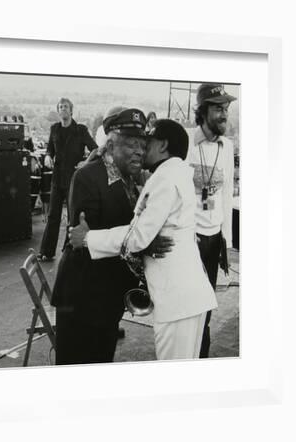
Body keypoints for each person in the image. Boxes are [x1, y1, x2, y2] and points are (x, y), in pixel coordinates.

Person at [70, 119, 218, 360]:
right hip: (188, 298)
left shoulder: (165, 179)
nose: (142, 148)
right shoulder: (177, 174)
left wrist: (88, 238)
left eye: (147, 141)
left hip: (177, 301)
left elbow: (137, 237)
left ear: (162, 145)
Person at [51, 107, 170, 365]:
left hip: (107, 298)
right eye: (131, 144)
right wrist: (143, 241)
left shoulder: (130, 178)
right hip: (82, 299)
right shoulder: (87, 176)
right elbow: (84, 240)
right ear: (111, 143)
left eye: (142, 144)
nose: (139, 150)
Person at [187, 83, 236, 358]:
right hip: (190, 239)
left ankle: (201, 361)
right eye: (218, 108)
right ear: (203, 111)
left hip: (214, 237)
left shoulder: (227, 147)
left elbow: (227, 195)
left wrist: (225, 240)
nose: (224, 114)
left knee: (206, 308)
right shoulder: (187, 143)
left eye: (226, 109)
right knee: (190, 307)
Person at [37, 98, 98, 261]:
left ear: (71, 110)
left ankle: (69, 251)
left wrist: (85, 162)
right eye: (60, 107)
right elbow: (50, 149)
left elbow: (96, 149)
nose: (63, 109)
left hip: (74, 179)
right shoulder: (54, 129)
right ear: (58, 111)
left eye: (65, 107)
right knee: (53, 215)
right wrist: (48, 157)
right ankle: (46, 251)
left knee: (72, 216)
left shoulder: (80, 129)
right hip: (57, 178)